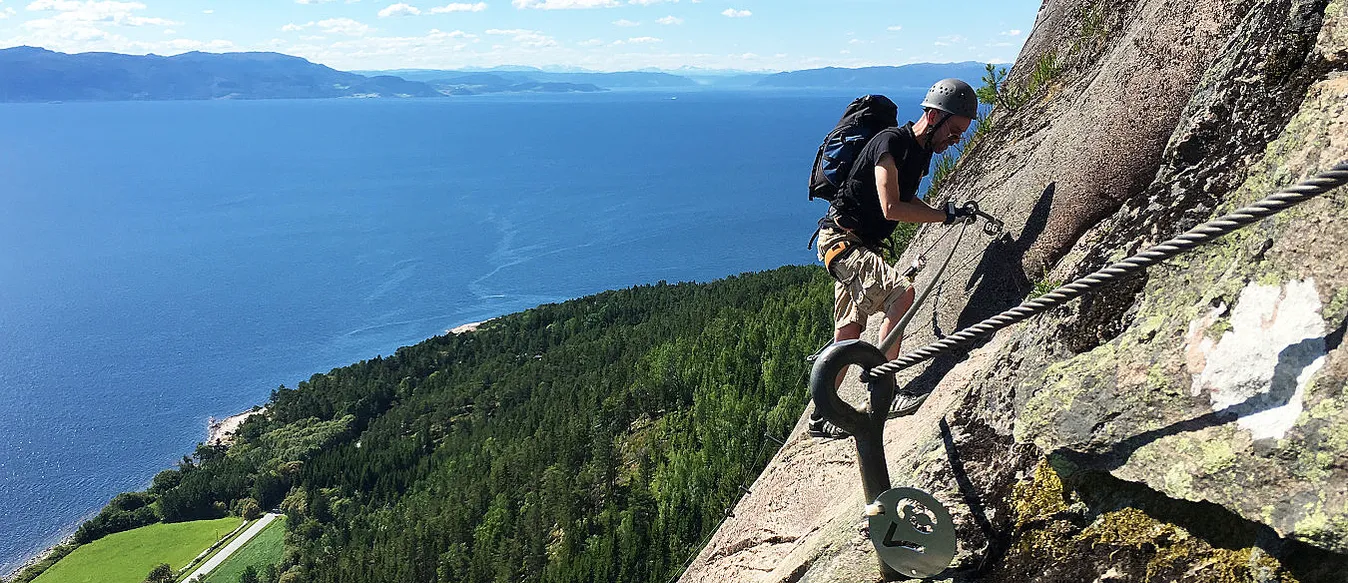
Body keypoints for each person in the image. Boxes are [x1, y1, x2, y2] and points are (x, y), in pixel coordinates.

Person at [808, 78, 980, 439]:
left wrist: (944, 213)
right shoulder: (890, 143)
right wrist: (943, 217)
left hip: (853, 245)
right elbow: (891, 207)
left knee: (849, 331)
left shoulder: (919, 154)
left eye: (961, 133)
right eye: (954, 130)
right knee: (901, 295)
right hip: (844, 241)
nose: (956, 139)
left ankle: (822, 415)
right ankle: (884, 393)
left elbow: (908, 200)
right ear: (933, 117)